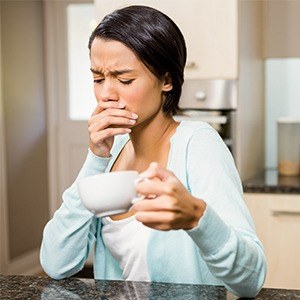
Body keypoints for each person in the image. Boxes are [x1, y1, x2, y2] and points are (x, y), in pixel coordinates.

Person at [40, 5, 267, 298]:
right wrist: (96, 158)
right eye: (98, 78)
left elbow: (251, 280)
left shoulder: (198, 144)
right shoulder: (113, 150)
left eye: (124, 80)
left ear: (167, 80)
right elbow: (56, 263)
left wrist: (198, 218)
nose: (107, 94)